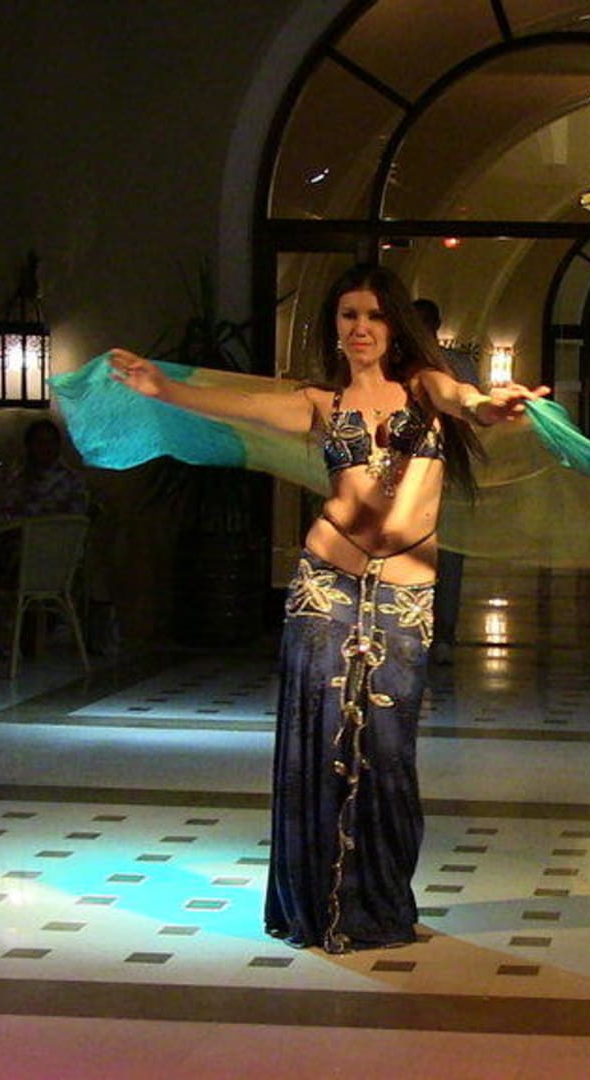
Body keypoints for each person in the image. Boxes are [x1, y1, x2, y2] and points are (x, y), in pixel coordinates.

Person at [107, 264, 546, 953]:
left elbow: (470, 401)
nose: (361, 327)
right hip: (325, 586)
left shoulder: (426, 389)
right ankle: (315, 908)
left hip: (403, 595)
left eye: (374, 315)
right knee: (319, 744)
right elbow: (240, 407)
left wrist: (498, 405)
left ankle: (380, 905)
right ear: (335, 327)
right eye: (349, 315)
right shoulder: (321, 403)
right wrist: (163, 388)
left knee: (388, 752)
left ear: (395, 325)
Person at [411, 298, 478, 666]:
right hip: (408, 473)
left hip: (448, 471)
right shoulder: (397, 365)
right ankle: (418, 631)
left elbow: (468, 411)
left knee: (448, 553)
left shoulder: (457, 365)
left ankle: (443, 634)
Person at [0, 418, 89, 516]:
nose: (47, 447)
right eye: (41, 442)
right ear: (29, 446)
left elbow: (77, 517)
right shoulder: (16, 481)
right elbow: (8, 514)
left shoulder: (73, 481)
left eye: (51, 442)